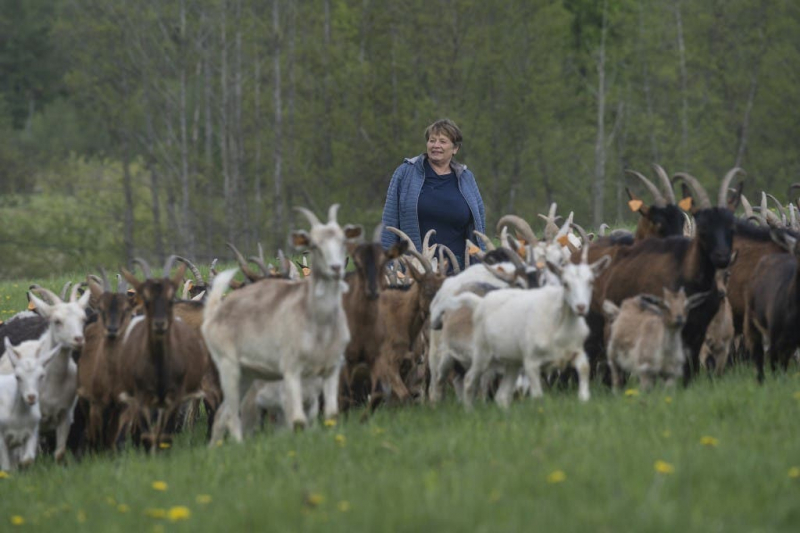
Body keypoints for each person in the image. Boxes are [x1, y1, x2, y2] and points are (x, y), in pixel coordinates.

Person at [380, 118, 486, 270]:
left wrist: (481, 265)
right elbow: (389, 223)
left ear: (455, 148)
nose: (436, 145)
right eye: (432, 140)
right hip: (415, 269)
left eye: (443, 141)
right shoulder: (405, 173)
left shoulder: (466, 178)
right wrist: (387, 266)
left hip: (457, 270)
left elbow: (479, 226)